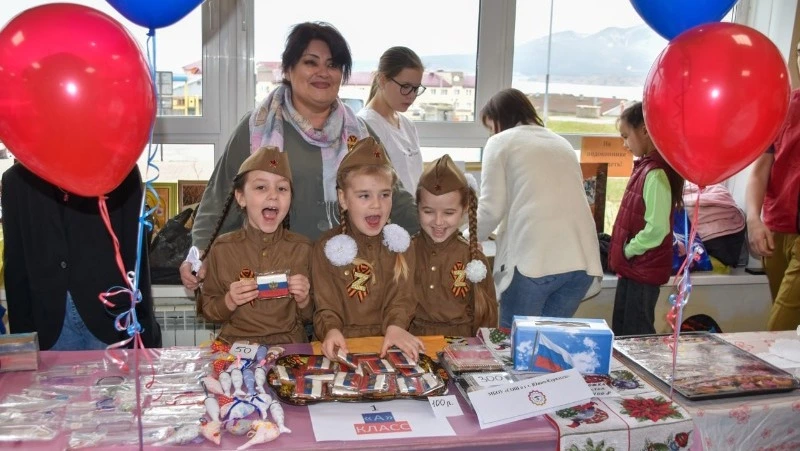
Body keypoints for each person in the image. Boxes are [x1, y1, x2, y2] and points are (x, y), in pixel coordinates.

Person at [180, 22, 418, 291]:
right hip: (275, 284)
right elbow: (219, 200)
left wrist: (442, 229)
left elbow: (394, 198)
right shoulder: (255, 130)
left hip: (347, 286)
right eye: (310, 62)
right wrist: (200, 252)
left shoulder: (361, 135)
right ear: (289, 68)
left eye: (332, 65)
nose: (323, 73)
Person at [477, 88, 602, 329]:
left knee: (514, 347)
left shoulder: (500, 142)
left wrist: (461, 242)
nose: (491, 133)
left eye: (491, 126)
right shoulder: (560, 142)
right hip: (581, 264)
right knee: (546, 348)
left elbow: (491, 209)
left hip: (535, 262)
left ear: (500, 119)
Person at [2, 163, 161, 350]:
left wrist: (145, 327)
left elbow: (135, 251)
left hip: (111, 319)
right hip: (48, 325)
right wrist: (22, 341)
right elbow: (15, 264)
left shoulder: (119, 169)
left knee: (114, 380)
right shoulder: (16, 179)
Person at [312, 137, 422, 361]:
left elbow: (403, 298)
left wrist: (396, 326)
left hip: (391, 344)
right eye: (364, 196)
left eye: (385, 194)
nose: (376, 204)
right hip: (344, 348)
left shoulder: (401, 245)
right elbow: (325, 305)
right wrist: (331, 330)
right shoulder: (326, 248)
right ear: (343, 199)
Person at [199, 147, 312, 344]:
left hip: (290, 346)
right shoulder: (222, 249)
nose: (273, 196)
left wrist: (304, 300)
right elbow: (208, 311)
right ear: (241, 197)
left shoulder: (303, 249)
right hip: (235, 346)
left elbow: (313, 317)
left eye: (282, 189)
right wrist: (229, 300)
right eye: (261, 187)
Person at [610, 101, 684, 336]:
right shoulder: (646, 168)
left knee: (637, 334)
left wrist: (629, 250)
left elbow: (657, 229)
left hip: (642, 267)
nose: (625, 144)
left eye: (626, 136)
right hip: (634, 268)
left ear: (644, 130)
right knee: (623, 332)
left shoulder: (656, 173)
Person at [410, 154, 497, 336]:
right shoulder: (405, 253)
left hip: (461, 346)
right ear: (417, 208)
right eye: (428, 211)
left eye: (449, 212)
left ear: (464, 210)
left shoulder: (473, 258)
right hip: (412, 344)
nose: (438, 221)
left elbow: (488, 317)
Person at [746, 41, 800, 331]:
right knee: (790, 333)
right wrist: (753, 219)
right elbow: (760, 170)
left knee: (778, 330)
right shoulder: (784, 107)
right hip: (777, 231)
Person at [357, 46, 425, 193]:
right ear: (382, 80)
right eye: (405, 86)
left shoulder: (408, 125)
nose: (411, 95)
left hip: (412, 213)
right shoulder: (366, 126)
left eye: (416, 88)